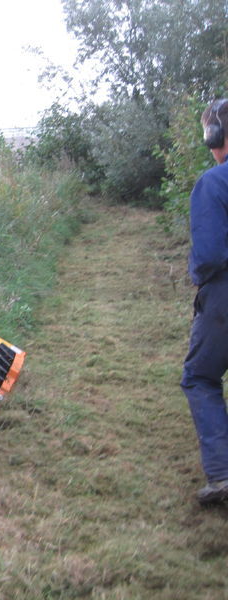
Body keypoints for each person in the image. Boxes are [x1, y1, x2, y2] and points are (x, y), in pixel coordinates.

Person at [181, 98, 228, 505]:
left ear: (216, 136)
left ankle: (223, 475)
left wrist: (196, 272)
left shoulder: (214, 183)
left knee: (200, 377)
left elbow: (211, 255)